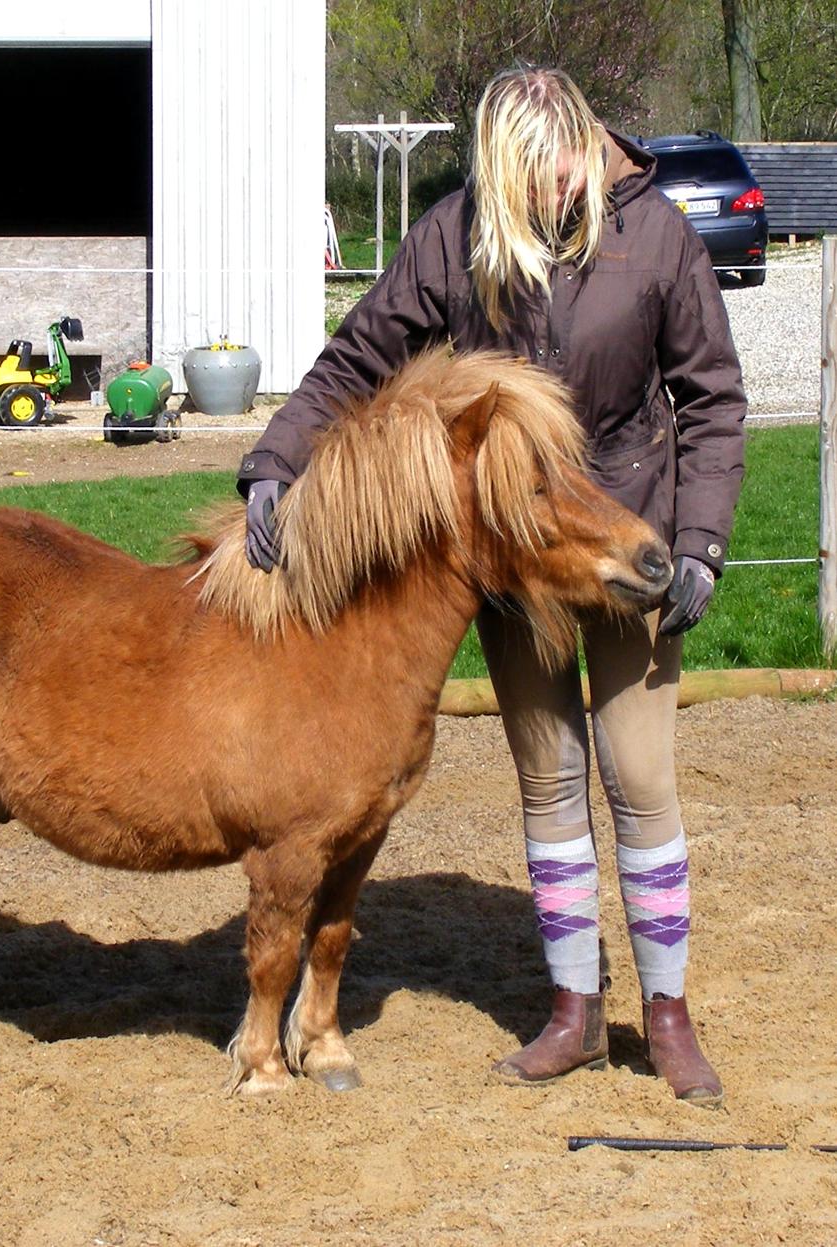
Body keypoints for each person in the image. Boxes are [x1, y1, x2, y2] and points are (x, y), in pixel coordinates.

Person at [237, 66, 745, 1107]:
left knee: (640, 777)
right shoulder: (458, 234)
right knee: (550, 779)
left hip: (627, 546)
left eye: (560, 165)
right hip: (518, 559)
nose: (553, 187)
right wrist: (276, 459)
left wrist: (698, 542)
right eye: (527, 176)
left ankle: (667, 1015)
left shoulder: (657, 238)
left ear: (585, 139)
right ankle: (572, 1010)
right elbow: (359, 355)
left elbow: (712, 397)